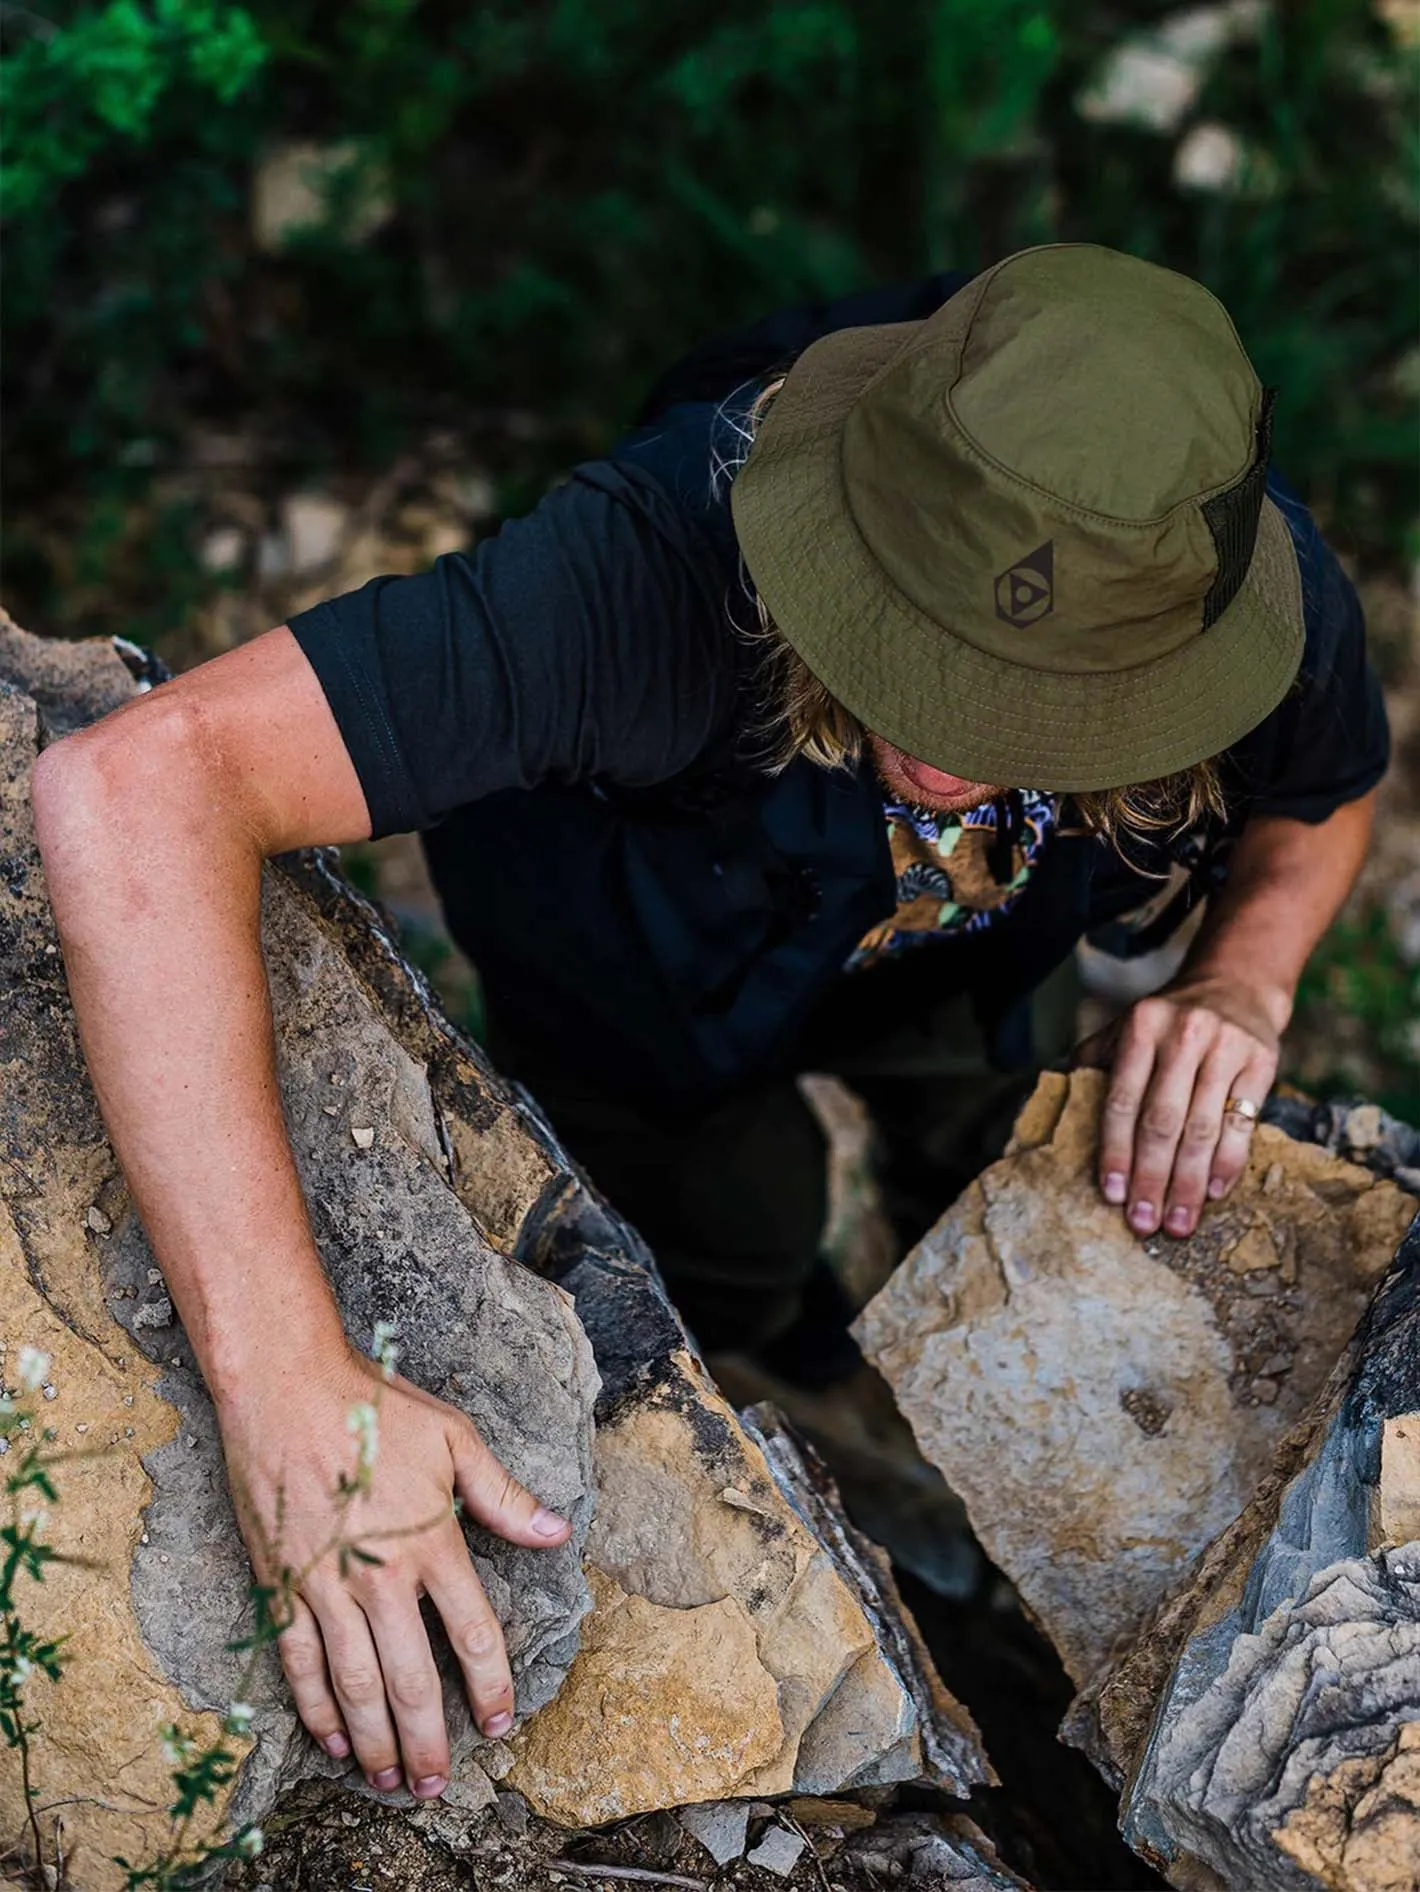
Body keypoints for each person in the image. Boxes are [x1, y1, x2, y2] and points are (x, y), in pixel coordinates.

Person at [31, 244, 1387, 1802]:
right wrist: (287, 1387)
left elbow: (1325, 793)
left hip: (979, 960)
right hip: (642, 979)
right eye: (914, 644)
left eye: (1029, 700)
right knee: (725, 1232)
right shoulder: (643, 574)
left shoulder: (1221, 580)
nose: (947, 737)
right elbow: (136, 785)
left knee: (989, 1151)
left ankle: (872, 1352)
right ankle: (774, 1351)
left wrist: (1242, 976)